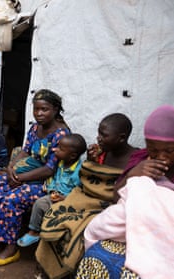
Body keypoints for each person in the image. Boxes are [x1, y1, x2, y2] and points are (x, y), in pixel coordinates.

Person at [35, 113, 138, 279]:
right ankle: (49, 269)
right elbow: (88, 180)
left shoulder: (135, 160)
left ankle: (68, 272)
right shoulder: (102, 154)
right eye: (99, 133)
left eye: (104, 135)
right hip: (87, 197)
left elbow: (126, 193)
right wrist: (91, 162)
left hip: (112, 206)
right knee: (56, 217)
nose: (98, 138)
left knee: (77, 228)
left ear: (121, 138)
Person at [75, 105, 174, 279]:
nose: (161, 157)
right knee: (95, 257)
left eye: (169, 151)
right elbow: (116, 197)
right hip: (132, 231)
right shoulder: (140, 159)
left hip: (165, 240)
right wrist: (133, 174)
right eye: (153, 149)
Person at [0, 89, 71, 267]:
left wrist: (19, 177)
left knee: (12, 198)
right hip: (28, 172)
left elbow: (50, 169)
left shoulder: (61, 135)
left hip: (48, 182)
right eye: (36, 109)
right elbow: (26, 151)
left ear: (56, 109)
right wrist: (11, 167)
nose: (39, 114)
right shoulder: (35, 127)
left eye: (44, 109)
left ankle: (11, 249)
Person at [17, 133, 87, 247]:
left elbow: (79, 191)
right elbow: (54, 178)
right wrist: (50, 188)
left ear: (72, 156)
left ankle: (47, 241)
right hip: (54, 195)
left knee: (54, 214)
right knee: (39, 204)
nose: (54, 149)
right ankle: (34, 232)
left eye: (60, 148)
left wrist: (65, 198)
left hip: (68, 201)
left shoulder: (78, 172)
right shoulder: (61, 163)